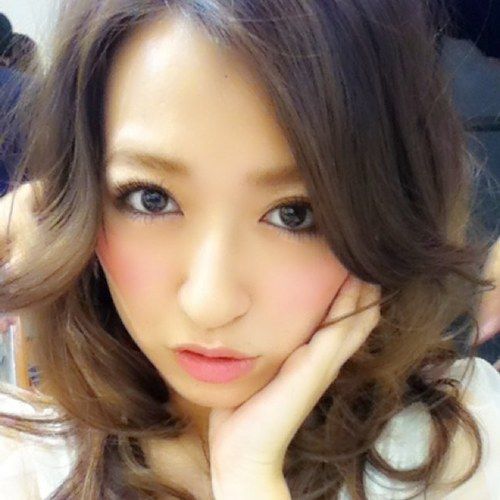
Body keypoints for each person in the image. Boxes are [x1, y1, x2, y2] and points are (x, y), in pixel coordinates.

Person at [0, 1, 499, 499]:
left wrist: (251, 478)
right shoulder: (23, 467)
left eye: (295, 214)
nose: (210, 304)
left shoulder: (462, 453)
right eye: (151, 199)